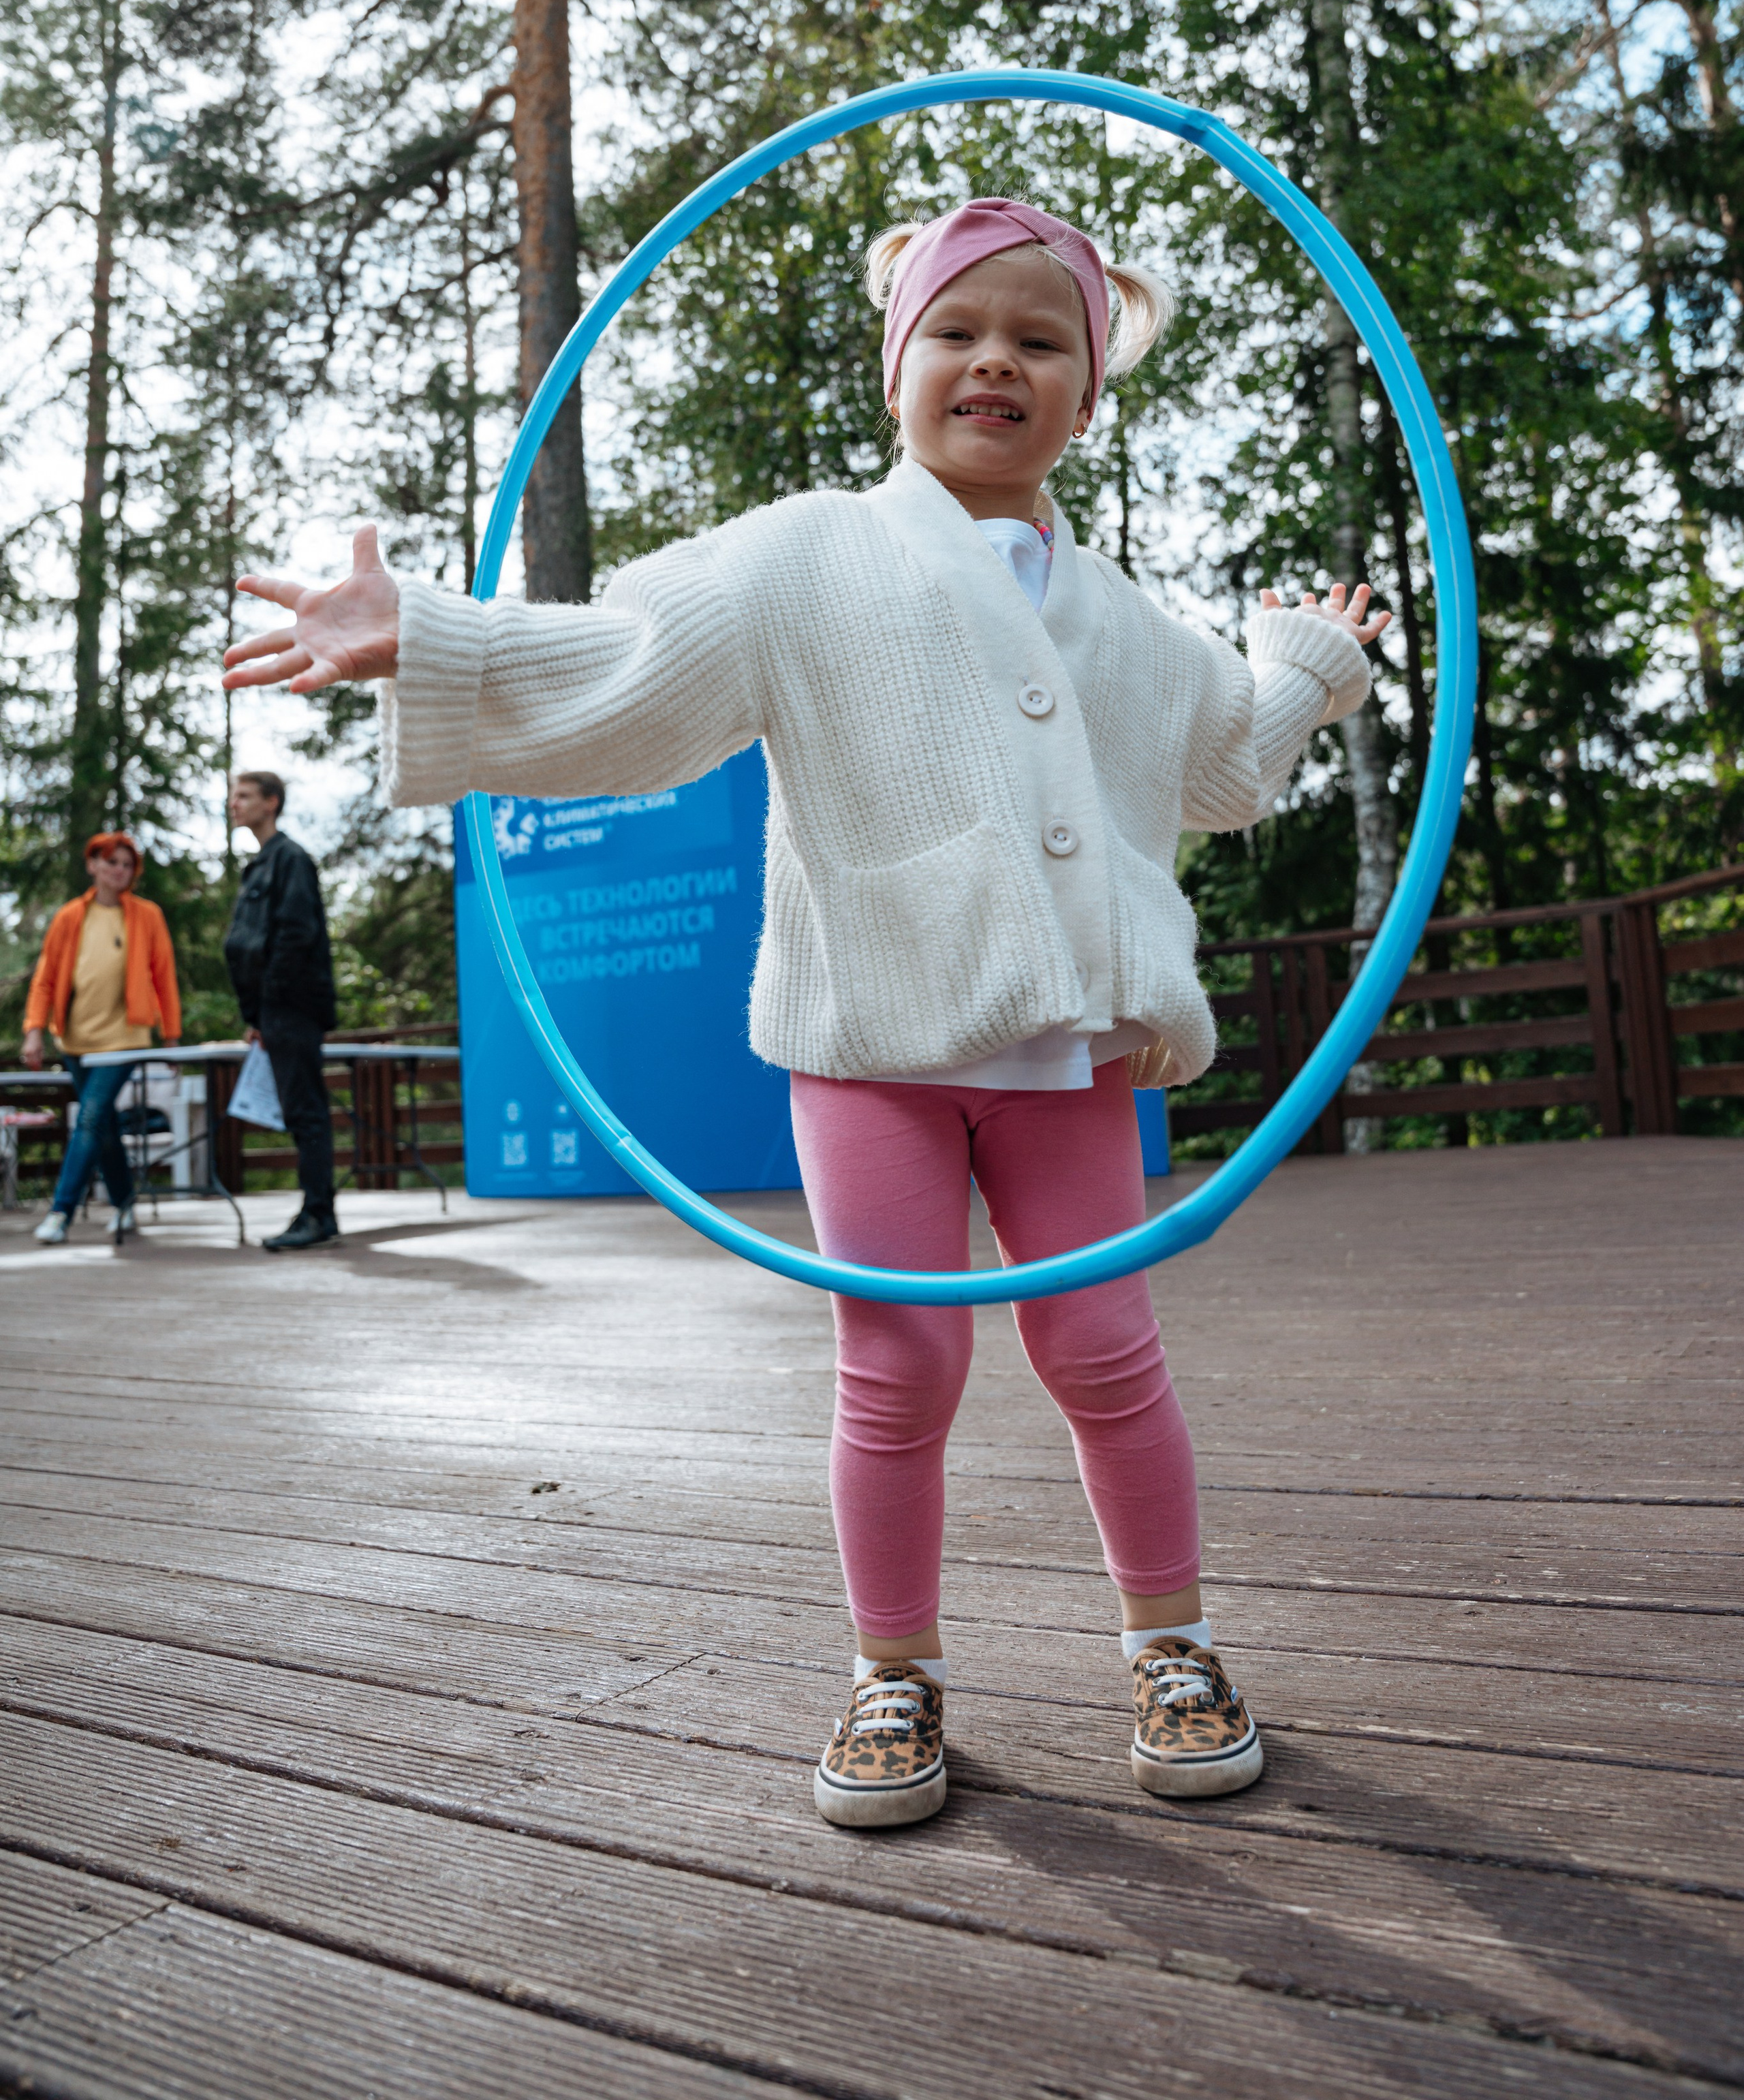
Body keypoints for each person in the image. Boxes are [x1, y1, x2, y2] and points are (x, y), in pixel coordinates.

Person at [222, 195, 1389, 1828]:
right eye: (957, 331)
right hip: (866, 1051)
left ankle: (1169, 1640)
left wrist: (1309, 664)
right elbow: (627, 673)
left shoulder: (1120, 613)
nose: (997, 361)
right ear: (895, 364)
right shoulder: (805, 553)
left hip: (1071, 1053)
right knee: (896, 1362)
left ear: (1088, 385)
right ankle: (891, 1671)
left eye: (1040, 339)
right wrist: (431, 634)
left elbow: (1214, 761)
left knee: (1103, 1342)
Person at [22, 832, 181, 1246]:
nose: (120, 871)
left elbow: (164, 976)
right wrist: (34, 1031)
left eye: (127, 865)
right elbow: (46, 978)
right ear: (93, 865)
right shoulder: (71, 917)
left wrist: (171, 1037)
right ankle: (126, 1203)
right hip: (76, 1040)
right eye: (112, 862)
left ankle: (60, 1213)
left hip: (125, 1038)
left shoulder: (146, 916)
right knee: (105, 1127)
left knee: (90, 1118)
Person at [224, 770, 340, 1252]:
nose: (235, 804)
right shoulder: (260, 865)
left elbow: (295, 935)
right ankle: (317, 1213)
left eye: (245, 796)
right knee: (299, 1111)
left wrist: (270, 1004)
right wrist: (255, 1017)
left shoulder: (289, 860)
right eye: (234, 796)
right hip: (272, 1014)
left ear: (271, 803)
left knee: (306, 1112)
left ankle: (317, 1216)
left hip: (292, 1009)